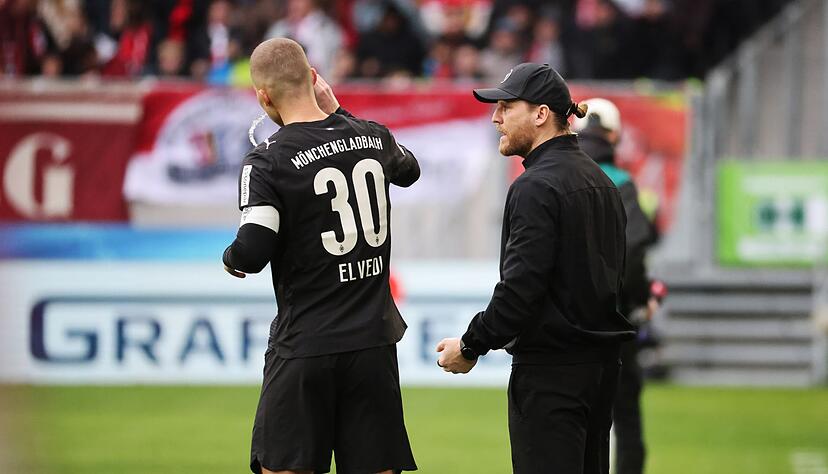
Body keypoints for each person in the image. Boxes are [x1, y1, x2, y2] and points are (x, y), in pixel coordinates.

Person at [222, 38, 419, 474]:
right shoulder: (371, 135)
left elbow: (252, 250)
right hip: (372, 345)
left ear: (264, 96)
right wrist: (340, 114)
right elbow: (410, 170)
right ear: (314, 79)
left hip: (306, 346)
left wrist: (230, 258)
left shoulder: (268, 161)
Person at [436, 63, 636, 474]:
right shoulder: (603, 182)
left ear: (541, 114)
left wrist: (470, 345)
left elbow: (519, 291)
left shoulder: (535, 186)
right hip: (600, 370)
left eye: (506, 107)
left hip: (552, 375)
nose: (496, 118)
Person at [572, 98, 661, 474]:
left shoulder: (560, 176)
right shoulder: (622, 184)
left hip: (566, 323)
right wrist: (642, 298)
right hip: (615, 319)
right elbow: (635, 248)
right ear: (614, 135)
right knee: (625, 420)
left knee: (571, 424)